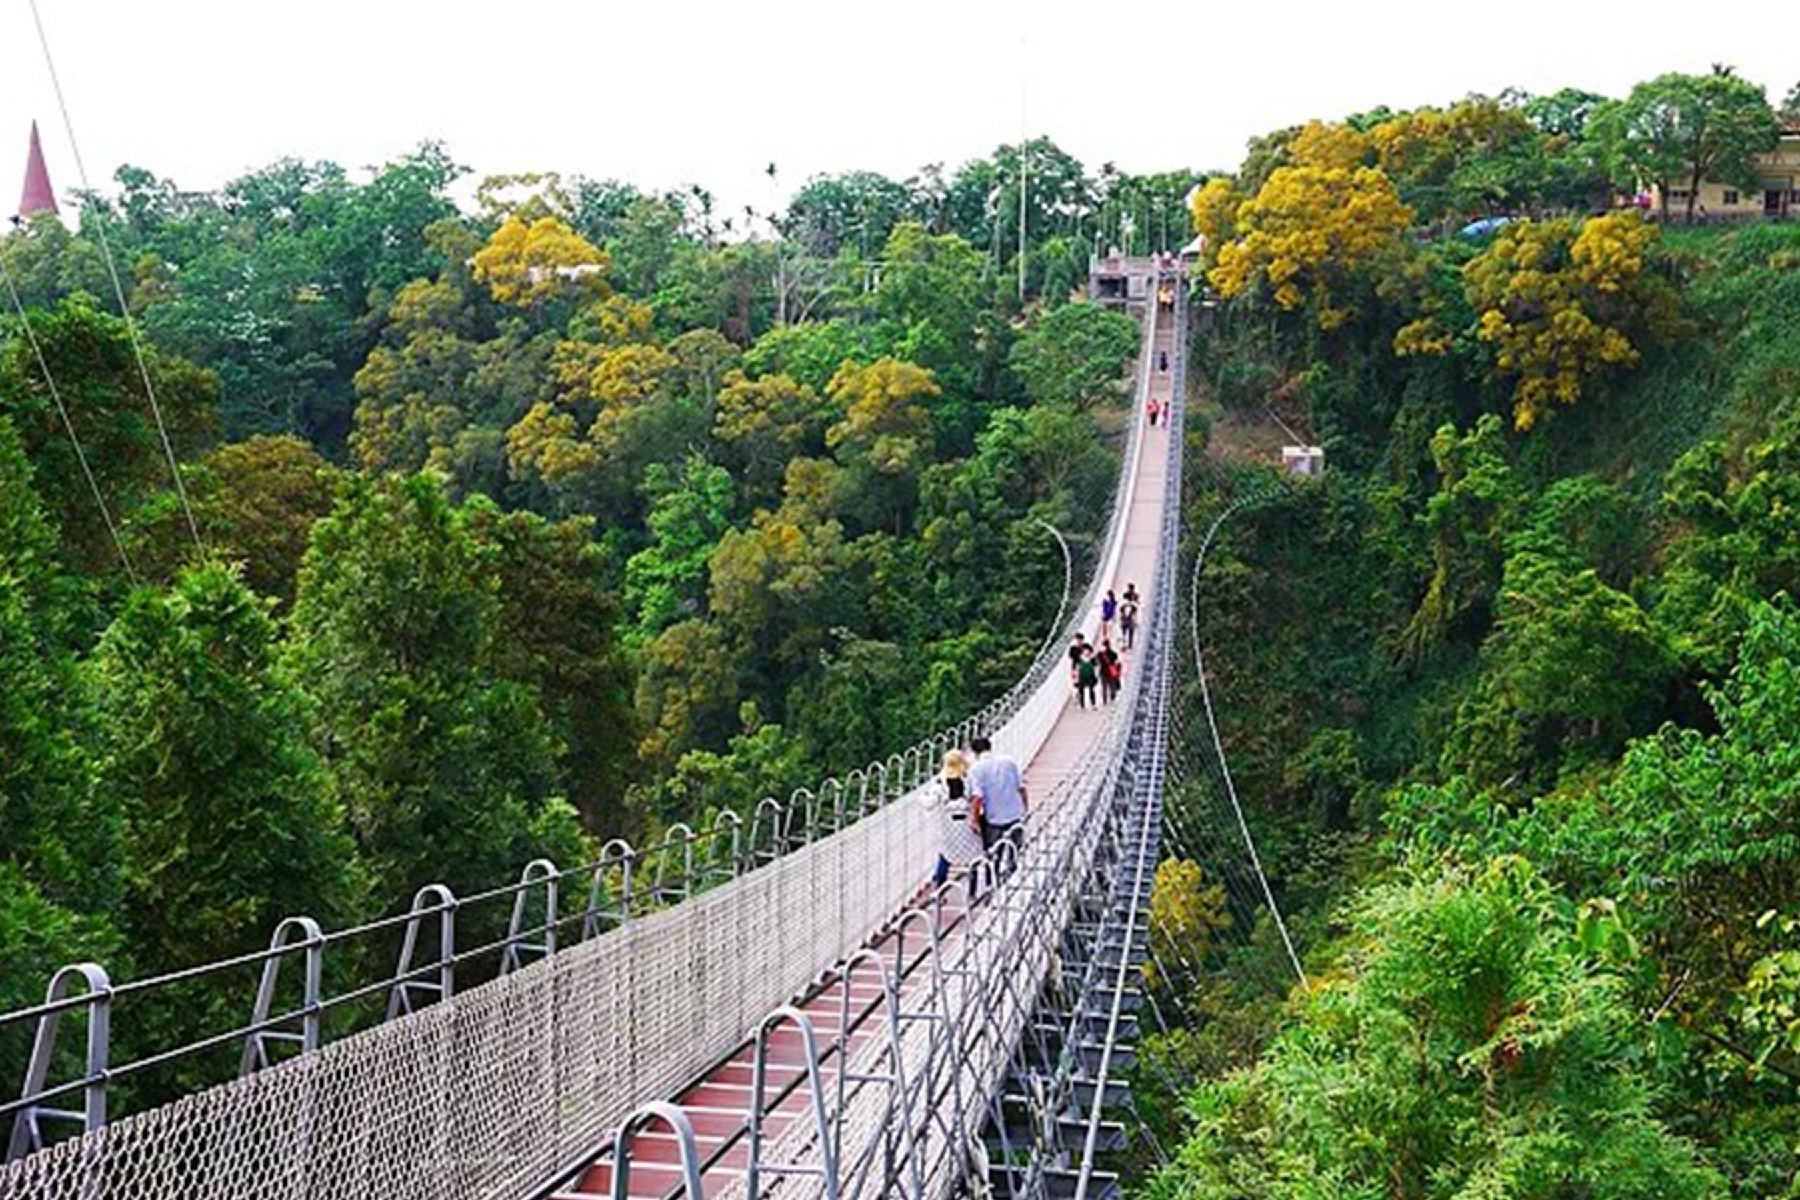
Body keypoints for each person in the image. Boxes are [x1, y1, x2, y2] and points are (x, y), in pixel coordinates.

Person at [927, 749, 984, 893]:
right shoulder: (968, 781)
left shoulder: (940, 784)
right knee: (972, 857)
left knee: (945, 856)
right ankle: (972, 890)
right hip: (967, 825)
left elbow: (929, 803)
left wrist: (922, 797)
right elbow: (977, 796)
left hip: (948, 827)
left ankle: (939, 890)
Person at [968, 735, 1028, 872]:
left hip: (994, 819)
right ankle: (1013, 876)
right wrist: (1025, 808)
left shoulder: (976, 769)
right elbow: (1022, 788)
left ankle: (994, 882)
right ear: (990, 747)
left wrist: (974, 820)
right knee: (1014, 851)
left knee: (994, 854)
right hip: (1015, 815)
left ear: (975, 752)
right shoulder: (1009, 762)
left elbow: (978, 798)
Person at [1074, 645, 1099, 709]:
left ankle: (1093, 704)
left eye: (1087, 651)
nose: (1086, 652)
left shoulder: (1092, 659)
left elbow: (1096, 667)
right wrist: (1076, 678)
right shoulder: (1079, 659)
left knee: (1091, 690)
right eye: (1085, 650)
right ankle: (1082, 704)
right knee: (1081, 691)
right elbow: (1076, 669)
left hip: (1090, 676)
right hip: (1082, 677)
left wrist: (1096, 676)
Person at [1119, 584, 1140, 651]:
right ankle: (1124, 645)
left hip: (1130, 618)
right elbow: (1121, 607)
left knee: (1130, 632)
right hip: (1125, 618)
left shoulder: (1136, 596)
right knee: (1123, 632)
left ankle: (1129, 645)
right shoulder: (1125, 595)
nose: (1130, 590)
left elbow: (1136, 607)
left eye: (1131, 589)